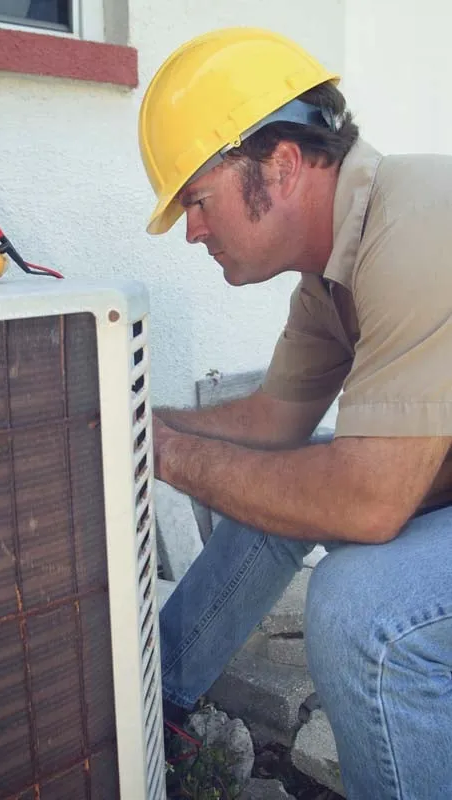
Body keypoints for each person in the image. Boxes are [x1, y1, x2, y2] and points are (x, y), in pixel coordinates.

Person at [138, 27, 452, 800]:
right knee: (281, 477)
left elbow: (368, 502)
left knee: (362, 609)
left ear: (279, 166)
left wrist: (165, 456)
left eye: (197, 200)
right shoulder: (328, 274)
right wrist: (142, 426)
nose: (192, 231)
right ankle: (159, 703)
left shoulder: (422, 219)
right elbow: (271, 423)